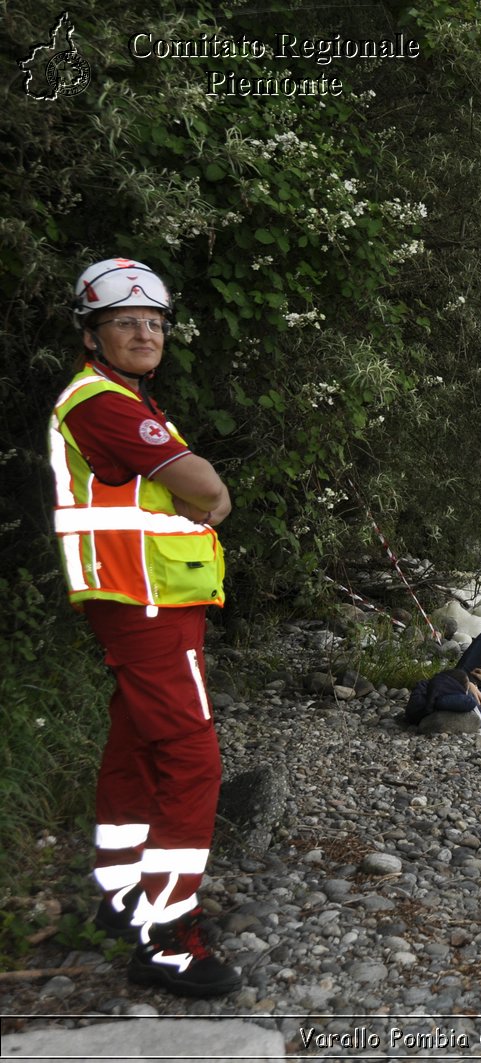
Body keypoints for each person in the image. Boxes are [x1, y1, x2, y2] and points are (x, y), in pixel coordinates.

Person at [50, 258, 240, 997]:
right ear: (92, 332)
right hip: (143, 603)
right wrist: (202, 496)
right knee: (194, 761)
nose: (144, 333)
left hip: (145, 602)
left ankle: (121, 894)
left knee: (133, 744)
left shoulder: (125, 400)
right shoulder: (105, 404)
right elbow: (208, 491)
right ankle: (166, 936)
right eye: (126, 321)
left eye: (155, 322)